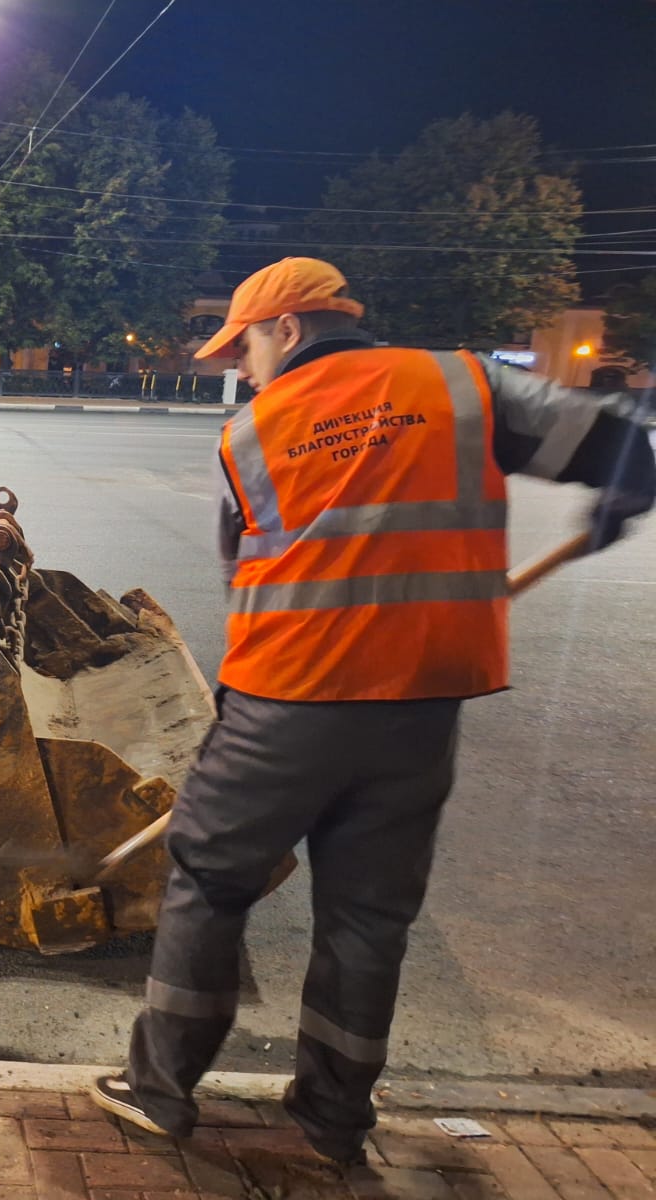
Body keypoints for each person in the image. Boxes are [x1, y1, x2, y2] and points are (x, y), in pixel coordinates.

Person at [88, 257, 655, 1164]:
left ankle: (161, 1091)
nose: (240, 366)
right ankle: (334, 1117)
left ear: (289, 328)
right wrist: (626, 494)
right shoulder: (464, 385)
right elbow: (619, 435)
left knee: (209, 881)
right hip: (422, 708)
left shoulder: (248, 437)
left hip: (289, 706)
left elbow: (246, 574)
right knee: (368, 916)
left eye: (244, 345)